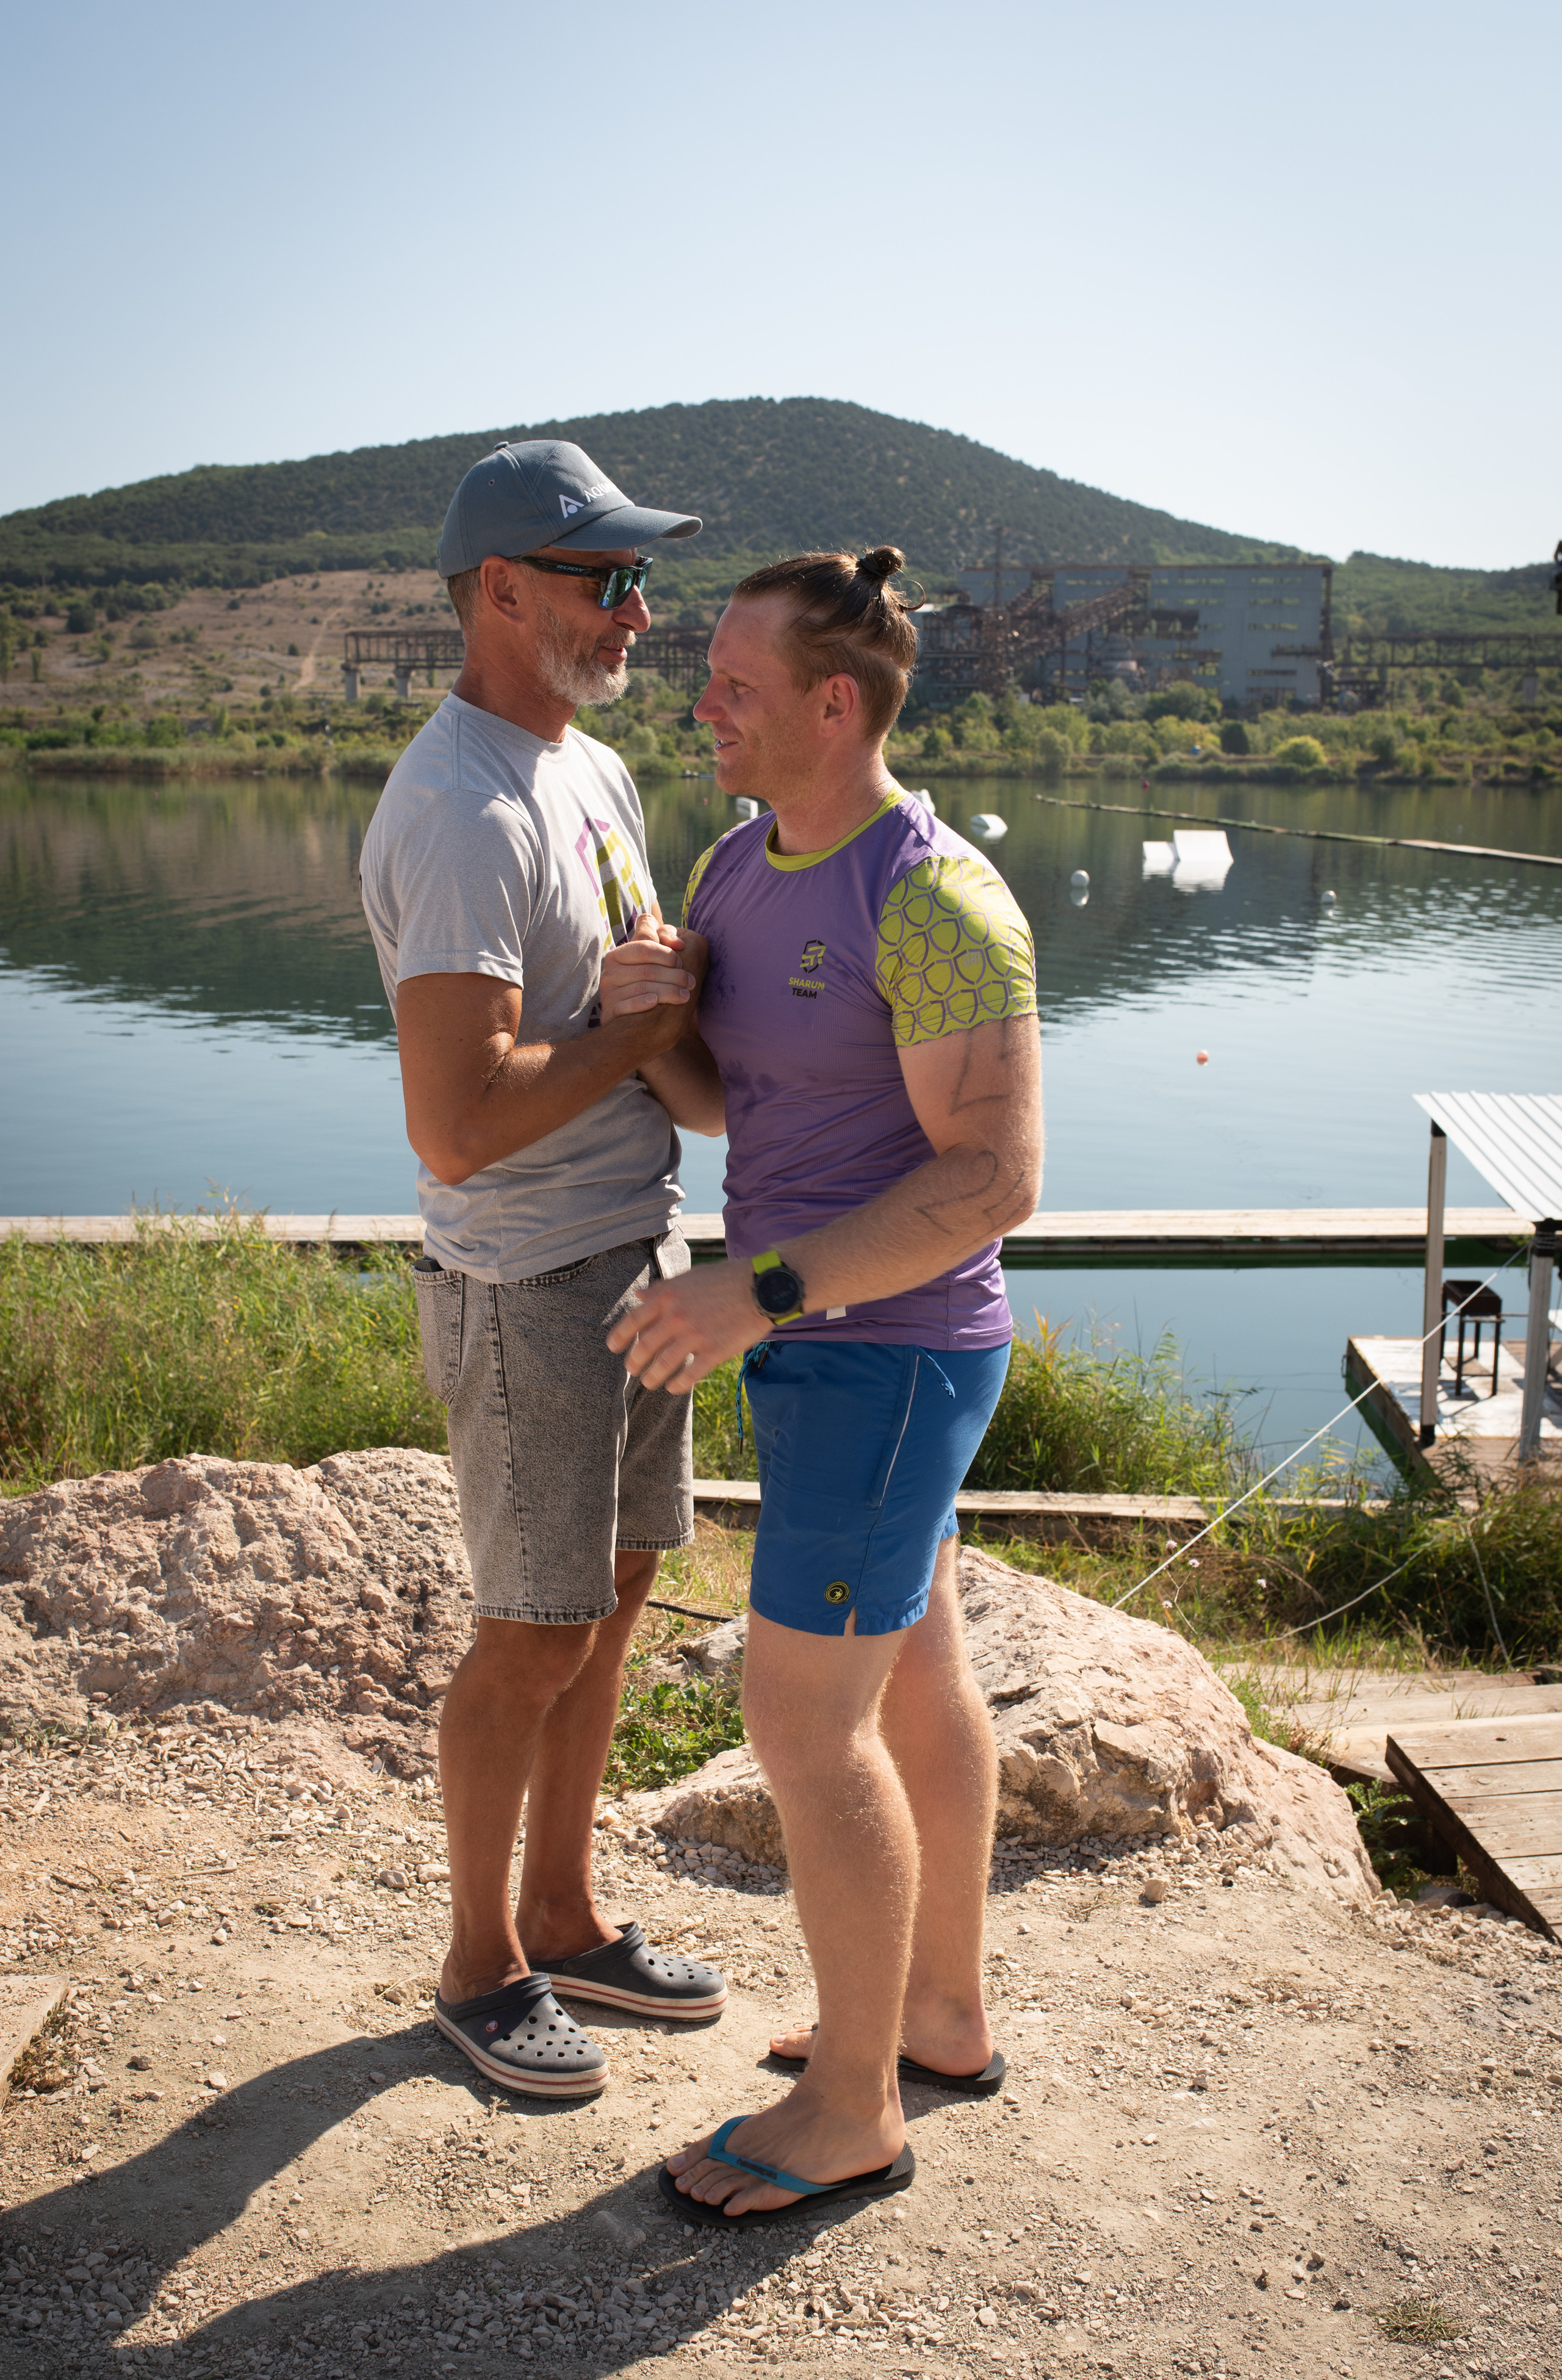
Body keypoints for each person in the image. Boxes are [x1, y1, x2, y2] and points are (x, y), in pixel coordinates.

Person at [605, 545, 1043, 2221]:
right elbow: (745, 1107)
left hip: (891, 1359)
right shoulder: (739, 862)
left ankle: (854, 2108)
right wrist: (657, 1023)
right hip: (819, 1350)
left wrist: (753, 1291)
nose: (701, 701)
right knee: (914, 1679)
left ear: (832, 702)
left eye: (733, 682)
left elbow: (993, 1181)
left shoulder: (934, 896)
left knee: (804, 1722)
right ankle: (934, 2015)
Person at [359, 439, 730, 2099]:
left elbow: (631, 1021)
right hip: (529, 1281)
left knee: (623, 1590)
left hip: (636, 1253)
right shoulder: (455, 808)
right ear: (503, 592)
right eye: (606, 579)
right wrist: (635, 1030)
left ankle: (569, 1915)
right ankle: (478, 1965)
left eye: (641, 578)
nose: (639, 610)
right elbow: (456, 1121)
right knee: (533, 1629)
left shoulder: (586, 771)